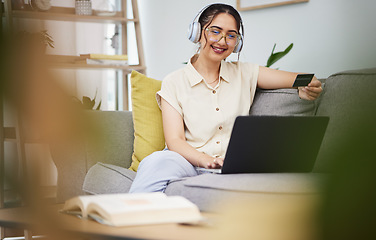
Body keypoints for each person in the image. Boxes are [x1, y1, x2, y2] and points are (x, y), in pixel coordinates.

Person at [129, 3, 322, 193]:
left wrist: (306, 85)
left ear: (237, 43)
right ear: (197, 33)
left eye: (231, 35)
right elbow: (175, 140)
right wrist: (205, 160)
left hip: (231, 166)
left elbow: (300, 79)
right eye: (215, 31)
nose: (222, 41)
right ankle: (129, 218)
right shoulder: (174, 81)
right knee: (157, 161)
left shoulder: (245, 73)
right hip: (187, 162)